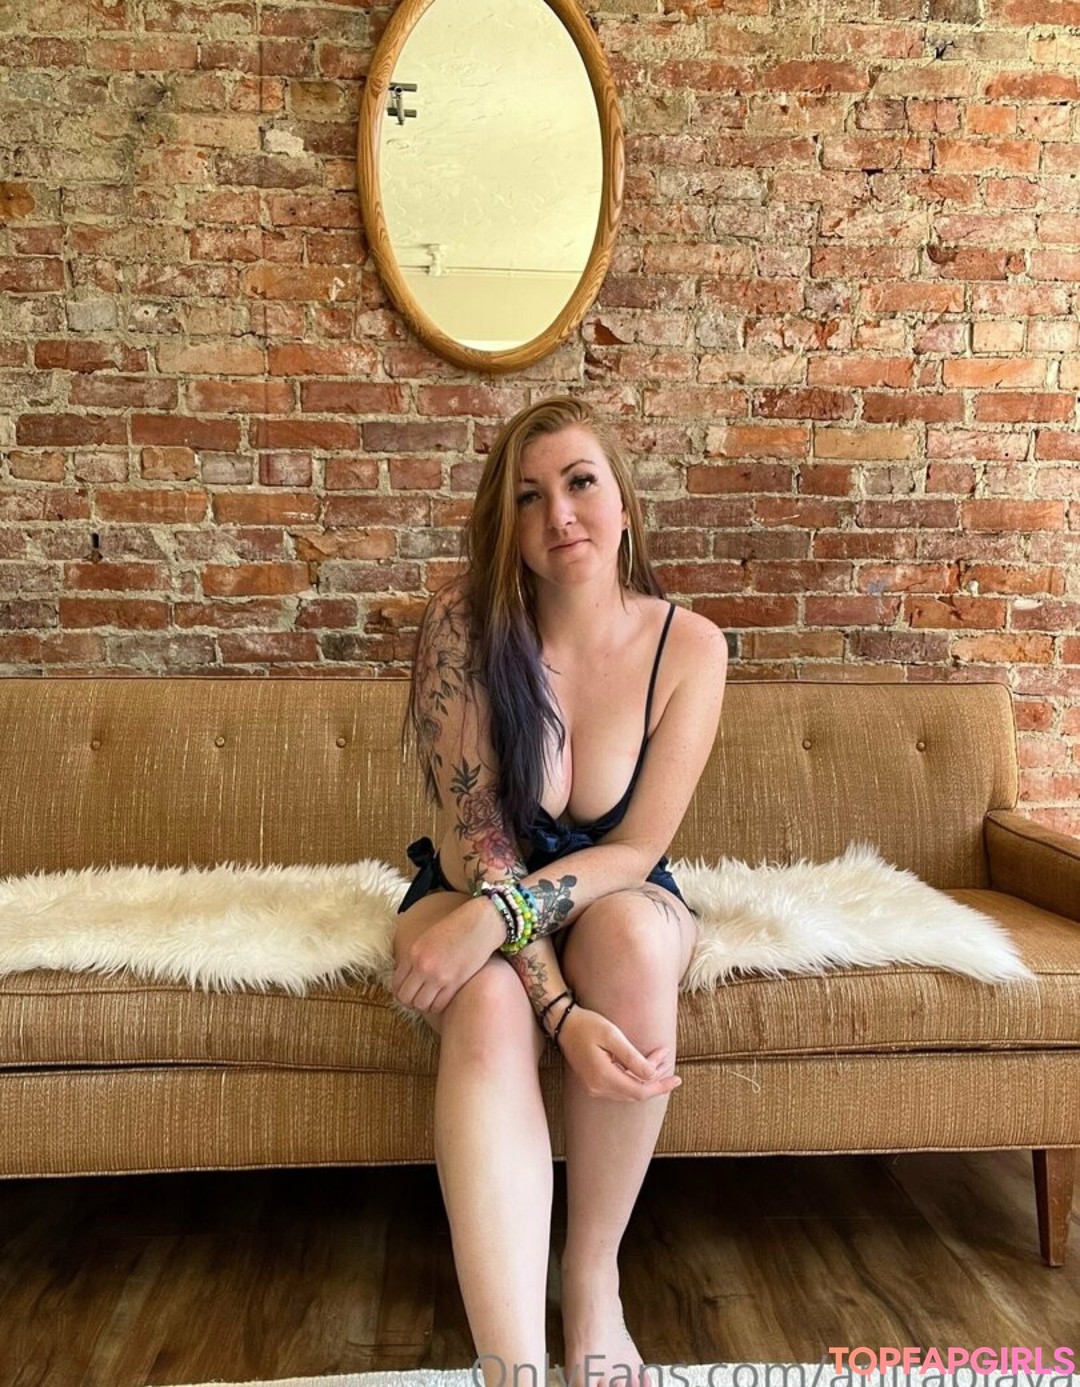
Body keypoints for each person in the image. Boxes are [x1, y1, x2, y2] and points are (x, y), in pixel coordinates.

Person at [393, 396, 728, 1387]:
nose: (559, 514)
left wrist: (509, 927)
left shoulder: (690, 647)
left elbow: (637, 847)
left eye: (580, 482)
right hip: (477, 876)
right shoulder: (463, 625)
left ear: (623, 502)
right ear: (506, 524)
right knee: (488, 1000)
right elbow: (480, 844)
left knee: (630, 940)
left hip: (609, 886)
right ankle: (511, 1367)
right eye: (528, 497)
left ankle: (593, 1284)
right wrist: (557, 1011)